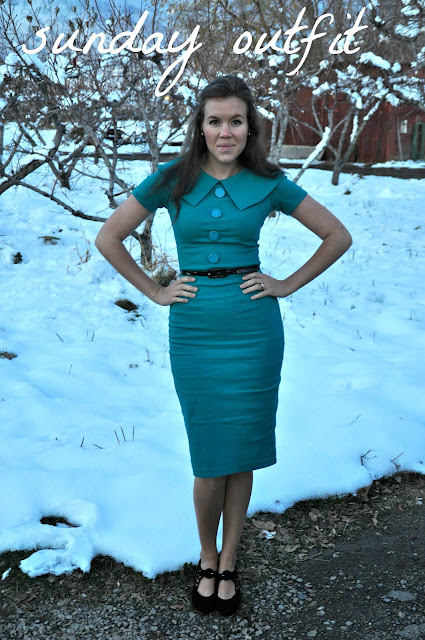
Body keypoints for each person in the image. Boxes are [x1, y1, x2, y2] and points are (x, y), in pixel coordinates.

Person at [94, 75, 352, 616]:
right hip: (194, 329)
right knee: (210, 458)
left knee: (241, 453)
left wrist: (285, 284)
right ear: (201, 126)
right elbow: (108, 237)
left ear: (250, 127)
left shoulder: (269, 182)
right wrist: (155, 290)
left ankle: (229, 560)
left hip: (253, 329)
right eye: (215, 121)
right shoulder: (173, 178)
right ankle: (206, 556)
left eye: (236, 121)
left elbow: (338, 236)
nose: (225, 132)